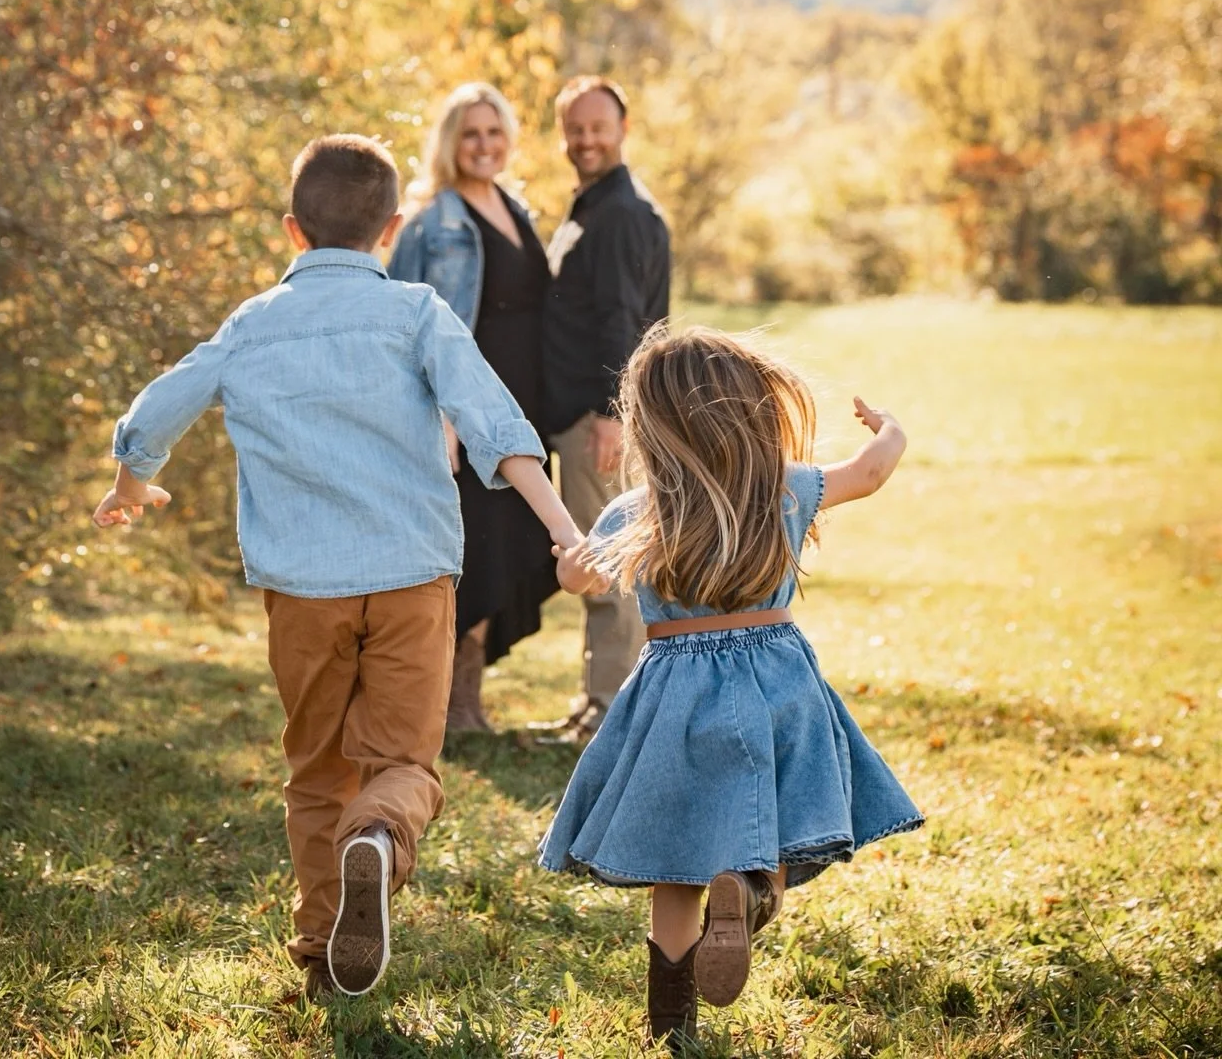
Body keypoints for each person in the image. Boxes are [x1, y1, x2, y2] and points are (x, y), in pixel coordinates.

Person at [91, 134, 597, 1000]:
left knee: (317, 768)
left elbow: (162, 403)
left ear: (293, 230)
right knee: (405, 764)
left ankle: (326, 950)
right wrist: (564, 528)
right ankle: (381, 833)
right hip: (411, 577)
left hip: (301, 590)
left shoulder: (252, 325)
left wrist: (132, 479)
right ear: (392, 229)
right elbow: (496, 424)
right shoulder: (417, 312)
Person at [539, 326, 924, 1052]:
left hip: (672, 693)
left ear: (651, 425)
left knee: (673, 868)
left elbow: (581, 577)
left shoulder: (636, 511)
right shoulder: (789, 487)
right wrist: (891, 428)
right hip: (776, 677)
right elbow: (871, 472)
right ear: (751, 412)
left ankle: (671, 1027)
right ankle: (748, 895)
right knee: (771, 824)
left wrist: (567, 564)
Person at [389, 83, 558, 735]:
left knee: (506, 549)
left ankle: (466, 701)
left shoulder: (516, 208)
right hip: (467, 416)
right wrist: (442, 416)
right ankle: (446, 708)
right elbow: (405, 322)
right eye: (470, 133)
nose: (484, 145)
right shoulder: (434, 220)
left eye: (494, 132)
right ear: (449, 141)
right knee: (470, 555)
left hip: (517, 413)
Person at [543, 74, 670, 741]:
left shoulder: (620, 213)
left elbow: (624, 318)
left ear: (622, 131)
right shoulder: (591, 204)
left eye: (598, 127)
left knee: (609, 565)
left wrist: (611, 413)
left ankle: (613, 711)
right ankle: (600, 702)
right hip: (586, 415)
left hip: (600, 420)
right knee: (600, 560)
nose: (586, 139)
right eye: (575, 128)